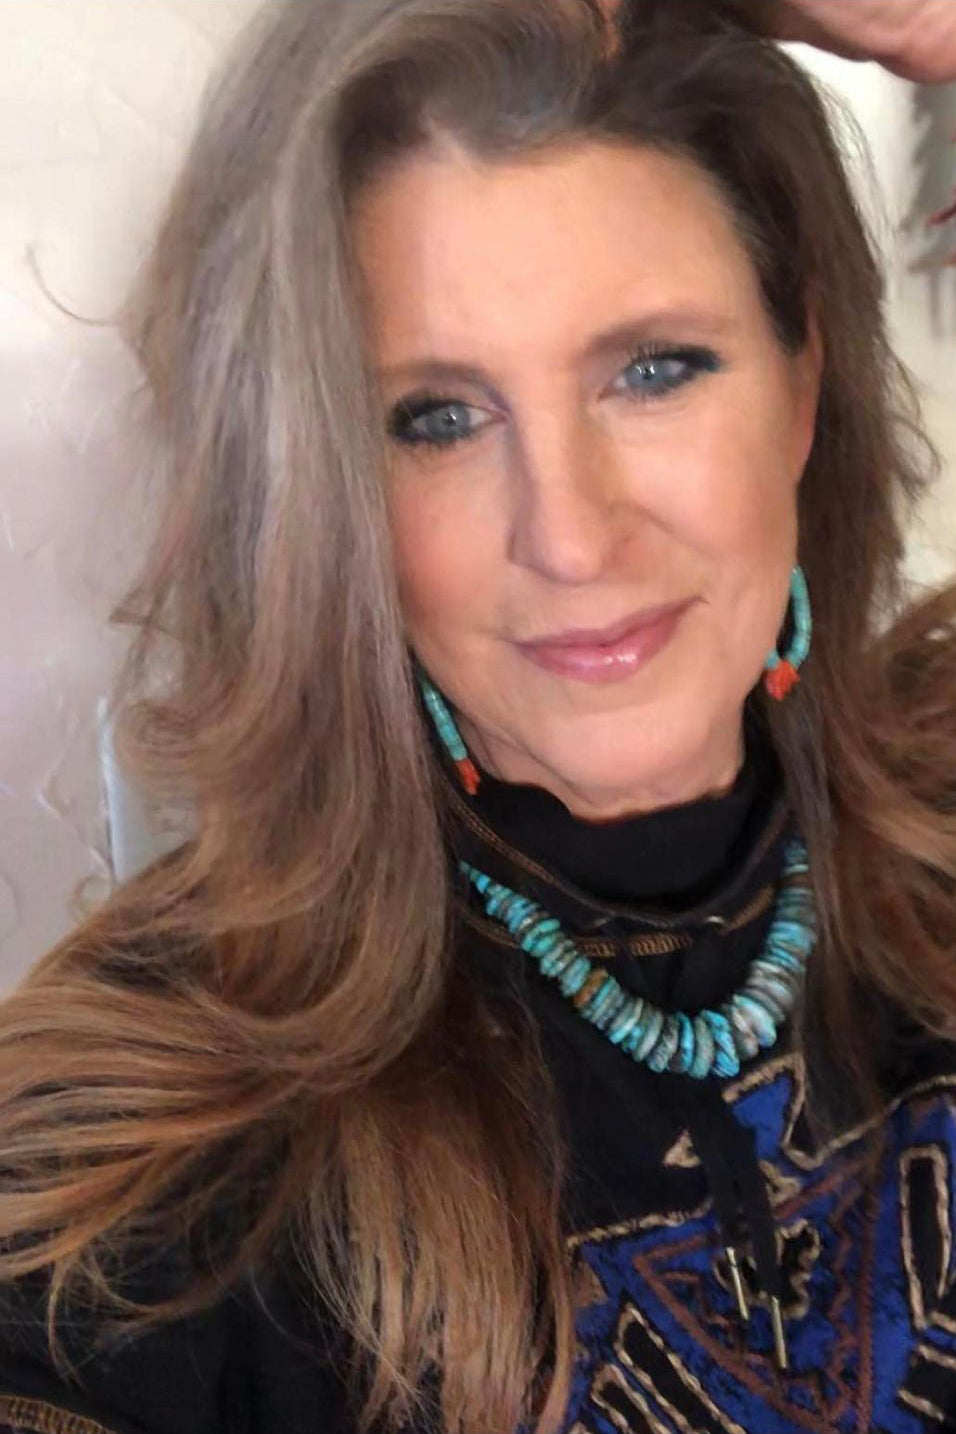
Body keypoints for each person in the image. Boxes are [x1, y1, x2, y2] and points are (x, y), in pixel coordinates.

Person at [1, 1, 956, 1432]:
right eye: (436, 418)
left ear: (801, 380)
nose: (570, 536)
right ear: (320, 483)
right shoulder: (144, 1134)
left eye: (654, 369)